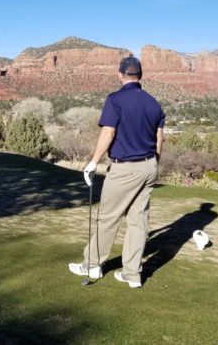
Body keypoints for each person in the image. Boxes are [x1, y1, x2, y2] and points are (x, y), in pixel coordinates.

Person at [68, 54, 165, 288]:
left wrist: (93, 162)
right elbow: (159, 139)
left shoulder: (115, 99)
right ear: (140, 75)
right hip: (149, 166)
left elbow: (108, 133)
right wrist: (152, 165)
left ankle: (92, 264)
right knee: (138, 221)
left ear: (120, 74)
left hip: (125, 169)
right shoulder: (153, 103)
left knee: (108, 218)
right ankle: (132, 275)